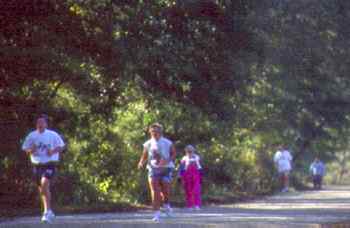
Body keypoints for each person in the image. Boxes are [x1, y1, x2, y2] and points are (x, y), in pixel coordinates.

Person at [22, 114, 65, 223]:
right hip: (37, 164)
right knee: (42, 189)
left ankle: (46, 212)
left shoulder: (52, 135)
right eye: (38, 123)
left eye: (42, 122)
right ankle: (48, 211)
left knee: (45, 183)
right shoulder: (32, 136)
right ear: (36, 124)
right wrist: (32, 150)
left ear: (46, 124)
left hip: (50, 163)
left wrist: (53, 151)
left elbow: (62, 146)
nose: (40, 124)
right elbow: (26, 149)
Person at [138, 123, 176, 222]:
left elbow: (173, 154)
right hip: (153, 169)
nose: (154, 133)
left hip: (166, 169)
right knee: (155, 191)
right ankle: (156, 214)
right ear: (150, 132)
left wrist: (167, 161)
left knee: (165, 190)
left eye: (156, 131)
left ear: (160, 132)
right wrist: (141, 162)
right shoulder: (148, 143)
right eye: (152, 131)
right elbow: (145, 155)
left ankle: (166, 205)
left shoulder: (167, 142)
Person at [178, 145, 203, 210]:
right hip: (187, 175)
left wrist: (201, 175)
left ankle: (197, 204)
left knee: (196, 190)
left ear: (193, 150)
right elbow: (181, 167)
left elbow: (199, 166)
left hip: (196, 174)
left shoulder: (197, 157)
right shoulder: (184, 158)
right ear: (186, 151)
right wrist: (180, 176)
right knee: (188, 190)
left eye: (191, 150)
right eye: (188, 150)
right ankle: (190, 205)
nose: (189, 152)